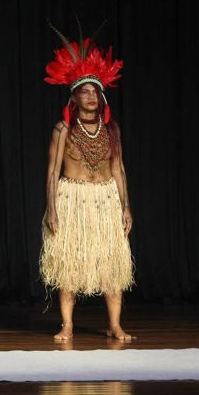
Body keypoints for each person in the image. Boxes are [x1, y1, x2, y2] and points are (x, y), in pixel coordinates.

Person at [40, 28, 134, 341]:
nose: (91, 96)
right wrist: (52, 209)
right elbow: (52, 172)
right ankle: (67, 325)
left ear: (102, 97)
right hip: (72, 199)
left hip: (106, 200)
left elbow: (119, 169)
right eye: (85, 92)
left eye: (96, 91)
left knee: (112, 264)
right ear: (74, 97)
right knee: (69, 264)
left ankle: (115, 325)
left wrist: (126, 208)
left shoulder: (112, 129)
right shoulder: (62, 129)